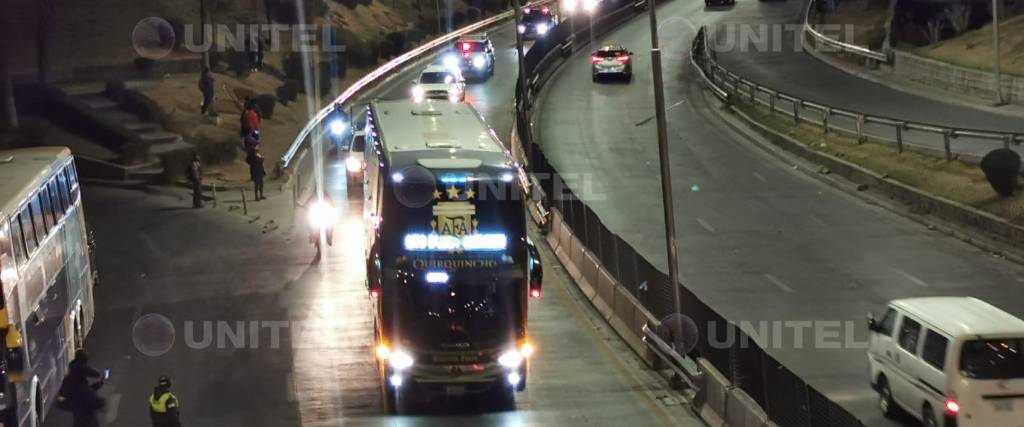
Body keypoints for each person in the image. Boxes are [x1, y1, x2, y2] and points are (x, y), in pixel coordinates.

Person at [57, 350, 105, 427]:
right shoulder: (80, 384)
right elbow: (92, 399)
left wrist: (98, 385)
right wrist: (102, 402)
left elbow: (62, 401)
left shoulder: (71, 378)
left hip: (77, 421)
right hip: (87, 422)